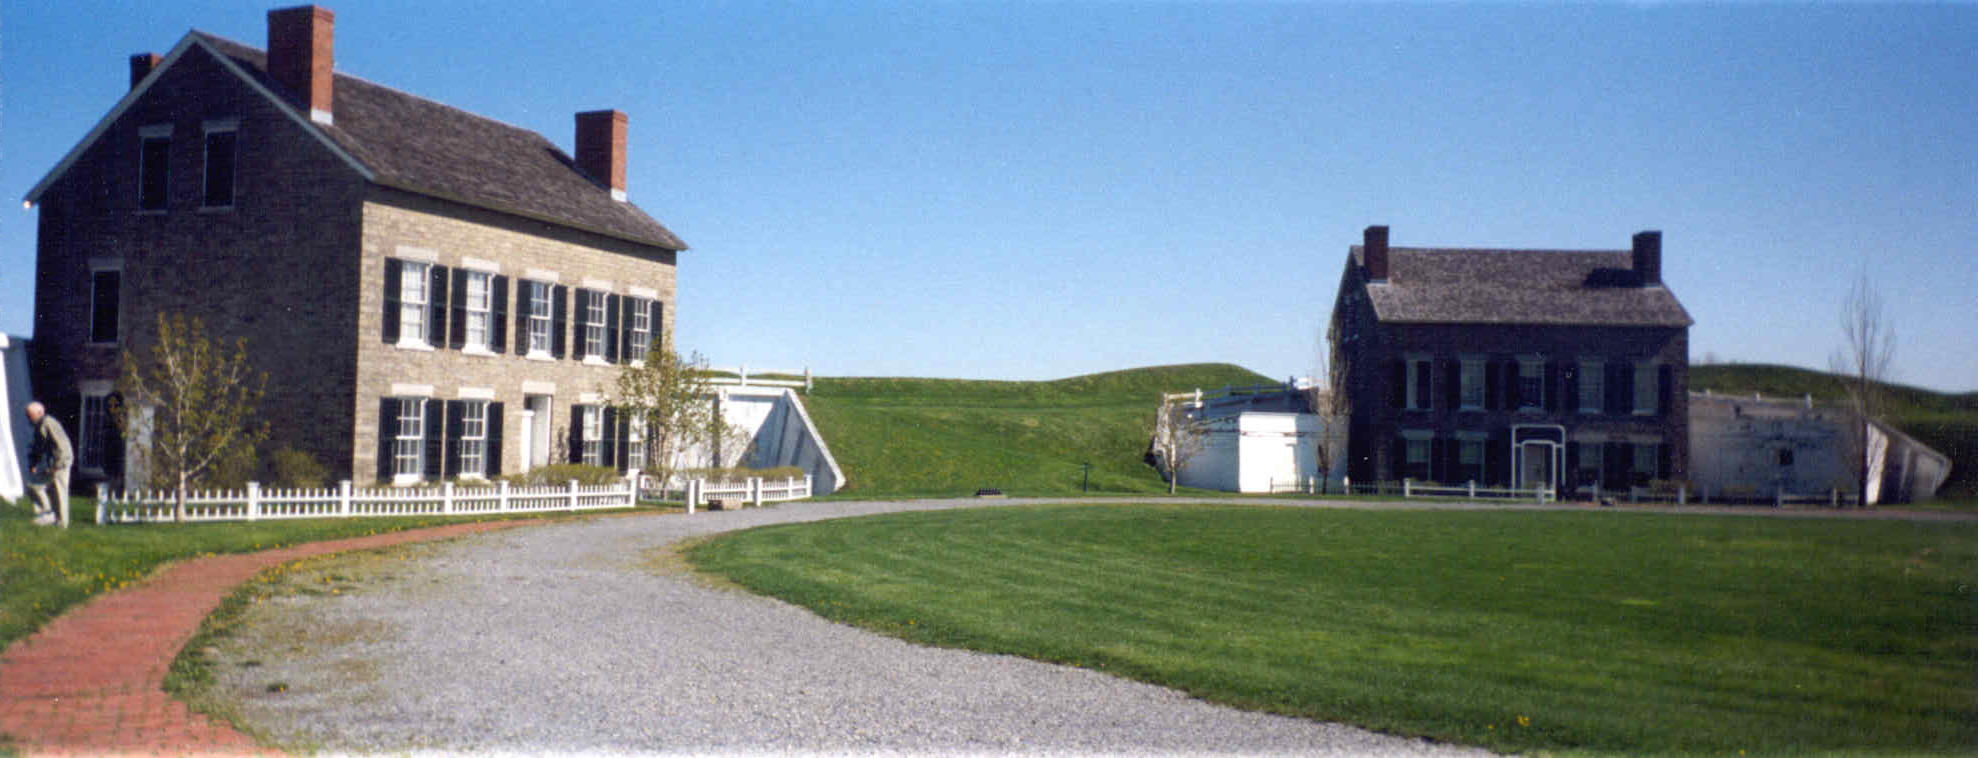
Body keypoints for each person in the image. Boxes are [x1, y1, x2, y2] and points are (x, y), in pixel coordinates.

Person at [25, 401, 72, 527]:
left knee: (59, 490)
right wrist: (33, 463)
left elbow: (62, 444)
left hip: (61, 461)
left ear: (40, 413)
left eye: (30, 415)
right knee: (34, 486)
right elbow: (38, 446)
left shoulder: (49, 423)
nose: (28, 418)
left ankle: (61, 523)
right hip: (52, 462)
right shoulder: (39, 425)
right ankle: (48, 514)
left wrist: (58, 465)